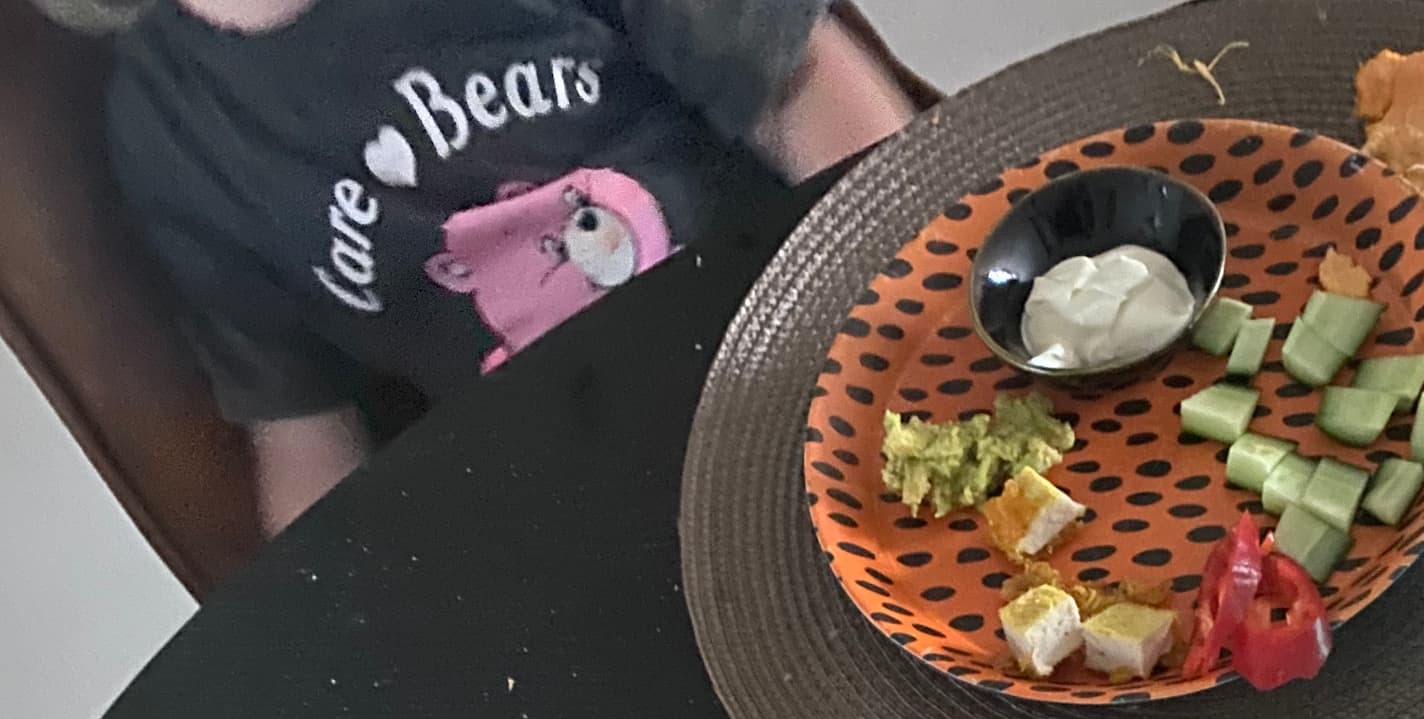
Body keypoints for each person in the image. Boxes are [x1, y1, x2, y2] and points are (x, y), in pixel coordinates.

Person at [45, 0, 914, 532]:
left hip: (810, 366)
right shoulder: (167, 132)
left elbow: (801, 86)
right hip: (578, 510)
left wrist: (909, 313)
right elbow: (304, 429)